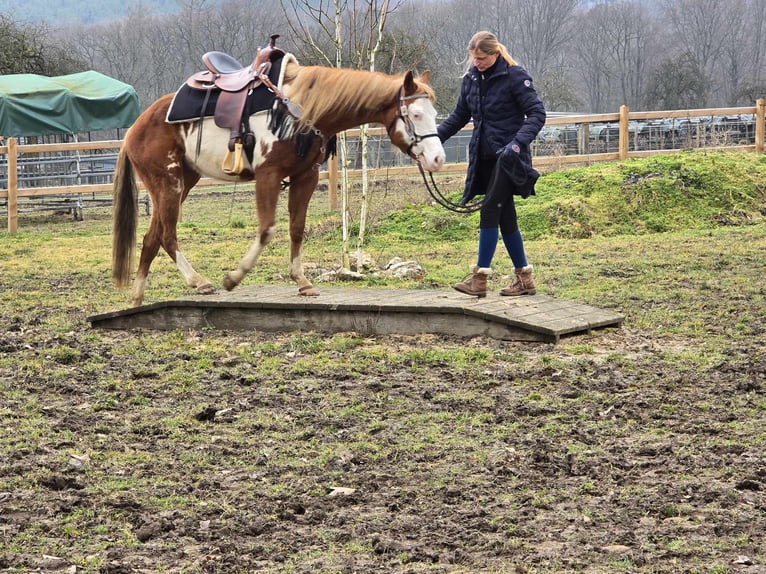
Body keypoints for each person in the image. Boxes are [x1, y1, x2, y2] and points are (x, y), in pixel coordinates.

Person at [438, 31, 546, 297]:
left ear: (495, 53)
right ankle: (525, 279)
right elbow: (459, 116)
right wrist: (433, 139)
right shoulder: (471, 79)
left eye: (482, 58)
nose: (477, 63)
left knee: (489, 210)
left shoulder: (515, 76)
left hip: (509, 158)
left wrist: (517, 144)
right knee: (505, 216)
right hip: (483, 158)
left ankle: (480, 278)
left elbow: (536, 114)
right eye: (473, 58)